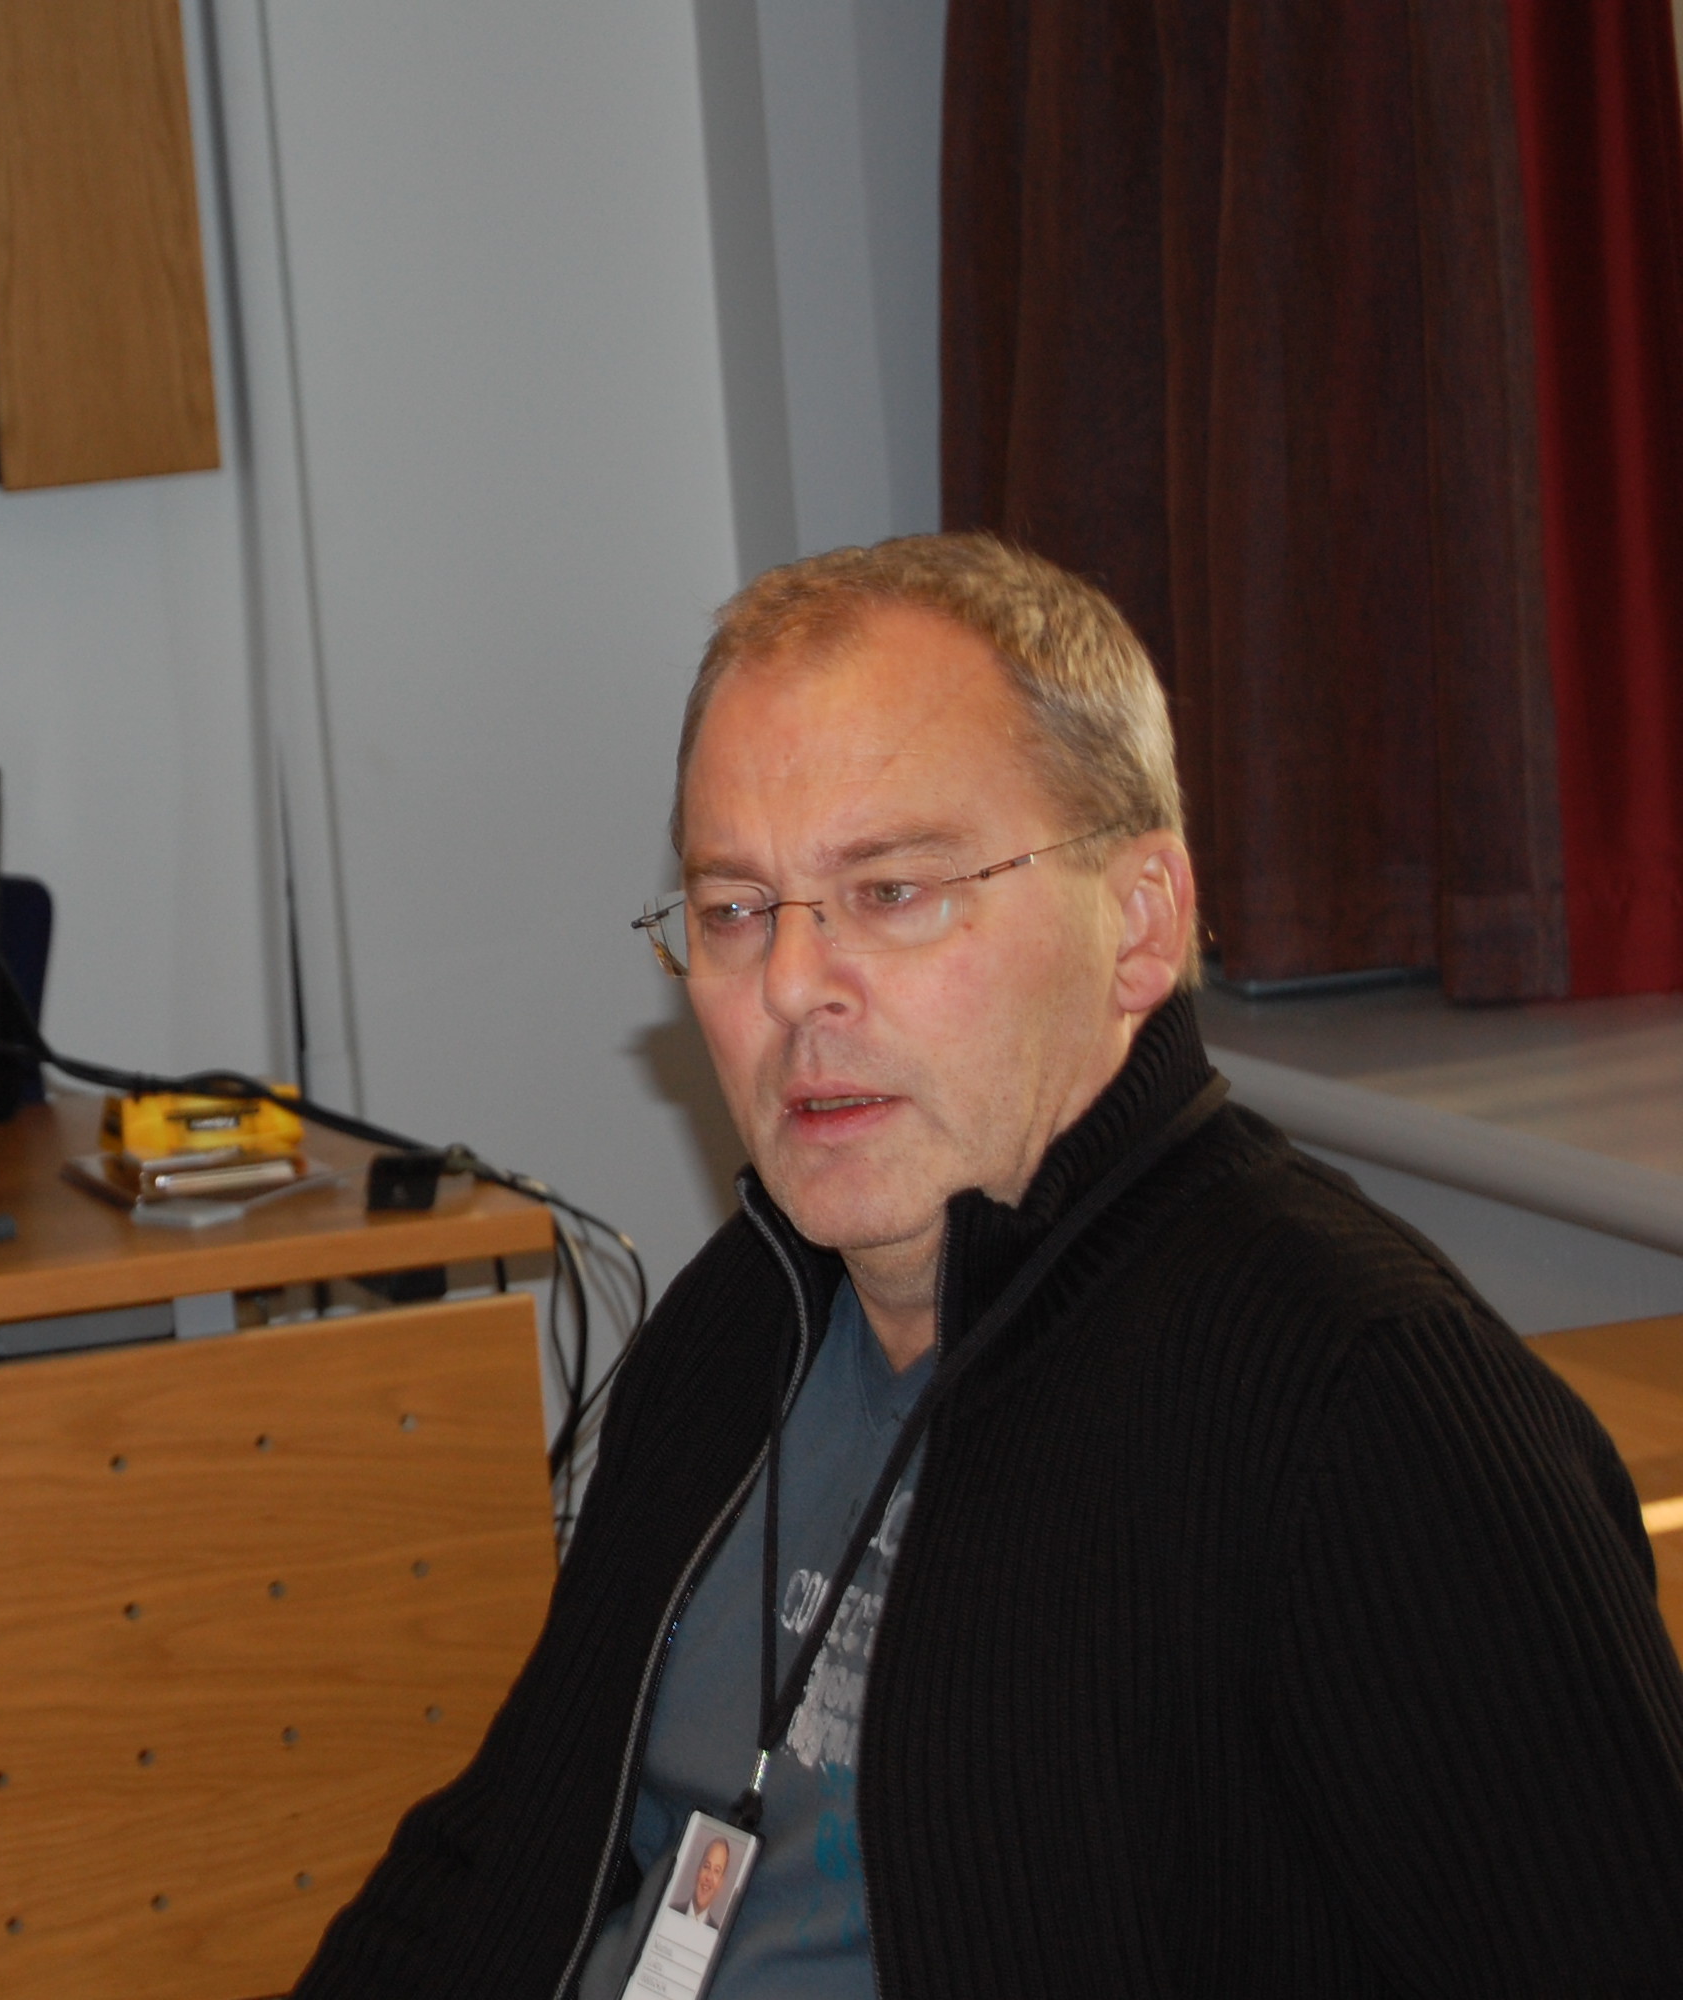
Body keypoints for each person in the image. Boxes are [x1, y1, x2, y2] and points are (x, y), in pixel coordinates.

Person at [292, 533, 1683, 1997]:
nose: (790, 985)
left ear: (1138, 925)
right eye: (734, 909)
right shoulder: (743, 1318)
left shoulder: (1361, 1405)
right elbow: (502, 1856)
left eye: (891, 889)